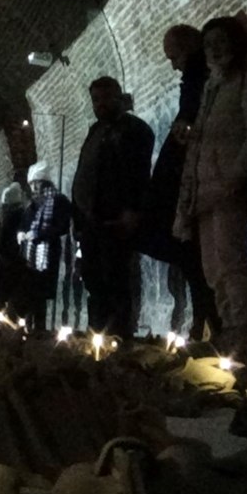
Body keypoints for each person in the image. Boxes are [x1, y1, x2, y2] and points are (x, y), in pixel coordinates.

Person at [174, 17, 247, 351]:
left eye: (221, 41)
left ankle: (243, 328)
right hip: (206, 188)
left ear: (235, 42)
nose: (214, 49)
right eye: (208, 44)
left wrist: (236, 177)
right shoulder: (213, 85)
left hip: (229, 186)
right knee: (212, 266)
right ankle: (227, 327)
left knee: (230, 259)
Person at [138, 26, 221, 338]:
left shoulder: (203, 79)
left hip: (191, 181)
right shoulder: (196, 80)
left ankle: (212, 324)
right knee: (191, 258)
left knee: (196, 255)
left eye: (175, 57)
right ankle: (206, 323)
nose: (173, 65)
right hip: (183, 179)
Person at [70, 77, 155, 339]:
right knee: (94, 279)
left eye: (106, 98)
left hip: (117, 218)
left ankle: (119, 336)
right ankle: (98, 335)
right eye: (96, 100)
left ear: (119, 97)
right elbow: (85, 173)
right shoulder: (95, 131)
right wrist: (79, 217)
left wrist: (132, 210)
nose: (101, 104)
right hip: (91, 220)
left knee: (116, 278)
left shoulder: (135, 130)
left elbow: (138, 174)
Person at [20, 161, 73, 334]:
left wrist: (41, 235)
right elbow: (25, 223)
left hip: (48, 253)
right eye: (31, 184)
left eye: (37, 183)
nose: (34, 187)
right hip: (30, 256)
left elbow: (62, 226)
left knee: (40, 293)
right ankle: (29, 328)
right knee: (30, 292)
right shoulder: (33, 205)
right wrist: (21, 234)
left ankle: (39, 330)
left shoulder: (58, 201)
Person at [0, 182, 28, 318]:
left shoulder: (11, 217)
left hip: (10, 259)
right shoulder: (23, 215)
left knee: (8, 290)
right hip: (18, 259)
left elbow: (4, 237)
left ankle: (12, 320)